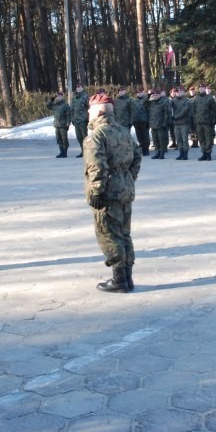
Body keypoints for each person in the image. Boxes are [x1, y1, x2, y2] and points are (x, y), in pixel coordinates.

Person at [83, 93, 142, 293]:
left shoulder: (97, 135)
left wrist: (97, 191)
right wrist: (127, 179)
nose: (88, 114)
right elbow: (137, 156)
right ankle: (127, 278)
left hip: (108, 192)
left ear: (98, 111)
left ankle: (119, 281)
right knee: (124, 233)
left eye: (90, 110)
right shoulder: (123, 131)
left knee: (108, 234)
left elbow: (97, 166)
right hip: (125, 189)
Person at [192, 83, 216, 161]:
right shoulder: (196, 98)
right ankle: (204, 153)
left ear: (205, 89)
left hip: (207, 122)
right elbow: (193, 110)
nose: (201, 89)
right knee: (201, 138)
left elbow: (214, 110)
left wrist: (213, 120)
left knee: (208, 138)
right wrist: (195, 119)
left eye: (203, 88)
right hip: (199, 122)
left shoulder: (210, 98)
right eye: (200, 88)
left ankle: (208, 153)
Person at [46, 90, 72, 158]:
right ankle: (61, 152)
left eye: (60, 95)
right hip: (57, 125)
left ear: (62, 97)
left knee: (64, 139)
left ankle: (65, 153)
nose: (59, 97)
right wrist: (52, 98)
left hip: (63, 125)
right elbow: (48, 105)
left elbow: (68, 114)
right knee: (58, 139)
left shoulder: (65, 105)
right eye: (58, 95)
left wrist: (68, 122)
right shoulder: (55, 105)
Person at [148, 90, 171, 159]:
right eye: (154, 95)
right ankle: (157, 152)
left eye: (156, 95)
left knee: (162, 140)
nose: (155, 97)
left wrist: (165, 123)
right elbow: (144, 104)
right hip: (153, 124)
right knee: (155, 140)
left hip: (161, 124)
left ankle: (162, 153)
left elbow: (167, 114)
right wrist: (149, 95)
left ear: (160, 95)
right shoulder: (151, 103)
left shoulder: (164, 102)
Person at [171, 87, 192, 160]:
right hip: (176, 124)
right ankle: (181, 153)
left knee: (184, 139)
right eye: (177, 92)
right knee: (178, 139)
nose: (178, 93)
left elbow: (184, 111)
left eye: (180, 92)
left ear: (183, 92)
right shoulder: (173, 101)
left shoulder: (187, 101)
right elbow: (169, 108)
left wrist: (175, 116)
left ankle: (185, 154)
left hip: (184, 123)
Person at [70, 83, 89, 157]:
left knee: (85, 137)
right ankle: (82, 151)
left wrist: (87, 118)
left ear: (82, 88)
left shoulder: (85, 96)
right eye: (77, 87)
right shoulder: (74, 97)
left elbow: (89, 107)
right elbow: (72, 109)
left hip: (83, 120)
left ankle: (87, 152)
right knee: (79, 137)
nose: (78, 88)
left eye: (79, 87)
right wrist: (72, 119)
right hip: (76, 120)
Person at [131, 89, 150, 156]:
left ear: (143, 93)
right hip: (136, 121)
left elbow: (149, 111)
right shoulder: (134, 101)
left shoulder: (146, 100)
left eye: (140, 92)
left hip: (144, 120)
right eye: (137, 93)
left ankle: (146, 149)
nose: (139, 94)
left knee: (145, 136)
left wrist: (148, 121)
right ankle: (142, 147)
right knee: (139, 136)